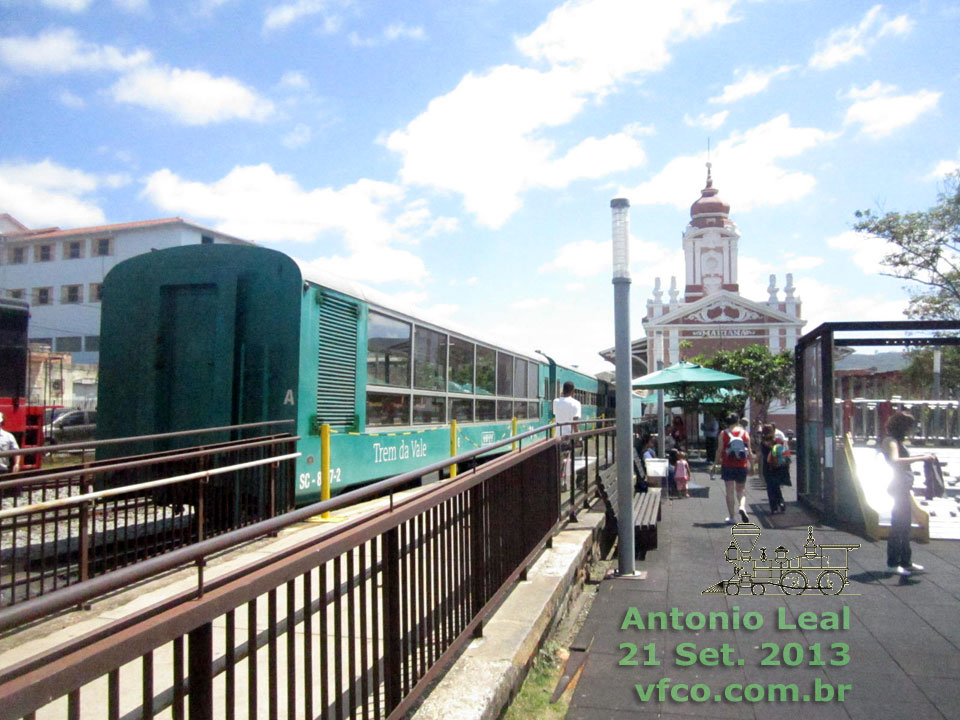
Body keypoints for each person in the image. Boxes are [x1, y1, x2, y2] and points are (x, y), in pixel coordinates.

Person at [880, 411, 934, 577]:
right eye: (911, 427)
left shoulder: (897, 441)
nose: (912, 430)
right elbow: (895, 461)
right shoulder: (891, 442)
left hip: (903, 485)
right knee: (899, 524)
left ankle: (905, 561)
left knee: (905, 525)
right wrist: (920, 458)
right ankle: (892, 563)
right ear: (903, 426)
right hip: (898, 485)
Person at [716, 413, 751, 524]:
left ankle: (732, 517)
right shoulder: (745, 433)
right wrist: (752, 464)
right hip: (742, 465)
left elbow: (719, 450)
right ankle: (742, 507)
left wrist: (715, 463)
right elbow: (749, 452)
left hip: (728, 465)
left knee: (729, 491)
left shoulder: (723, 433)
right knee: (741, 490)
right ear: (738, 421)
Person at [553, 381, 582, 476]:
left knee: (560, 462)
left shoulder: (556, 401)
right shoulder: (576, 403)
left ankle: (562, 482)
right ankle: (579, 480)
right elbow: (575, 423)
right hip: (570, 437)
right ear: (573, 391)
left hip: (558, 436)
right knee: (578, 458)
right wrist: (578, 438)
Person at [760, 424, 787, 514]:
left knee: (770, 487)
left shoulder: (763, 442)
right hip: (777, 466)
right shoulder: (778, 441)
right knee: (776, 486)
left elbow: (762, 454)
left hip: (767, 467)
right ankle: (781, 502)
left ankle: (773, 507)